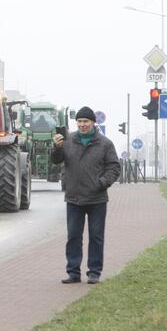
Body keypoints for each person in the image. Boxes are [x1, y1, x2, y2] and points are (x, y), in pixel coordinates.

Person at [51, 106, 120, 285]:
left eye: (86, 122)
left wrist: (102, 183)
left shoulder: (105, 143)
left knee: (96, 236)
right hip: (74, 197)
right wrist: (56, 147)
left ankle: (94, 272)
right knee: (73, 236)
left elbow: (114, 167)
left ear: (93, 123)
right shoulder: (68, 140)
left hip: (97, 198)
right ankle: (73, 272)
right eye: (80, 122)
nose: (82, 125)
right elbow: (56, 160)